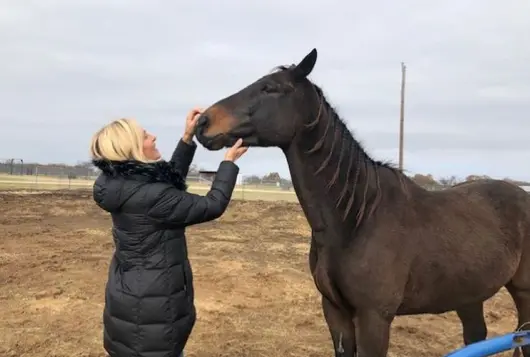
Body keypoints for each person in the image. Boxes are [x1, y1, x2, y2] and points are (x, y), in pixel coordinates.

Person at [89, 108, 247, 357]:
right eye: (144, 136)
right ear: (132, 150)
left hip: (128, 300)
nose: (153, 137)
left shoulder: (121, 186)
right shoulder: (152, 196)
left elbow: (165, 187)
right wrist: (227, 165)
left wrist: (187, 138)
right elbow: (211, 205)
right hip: (155, 312)